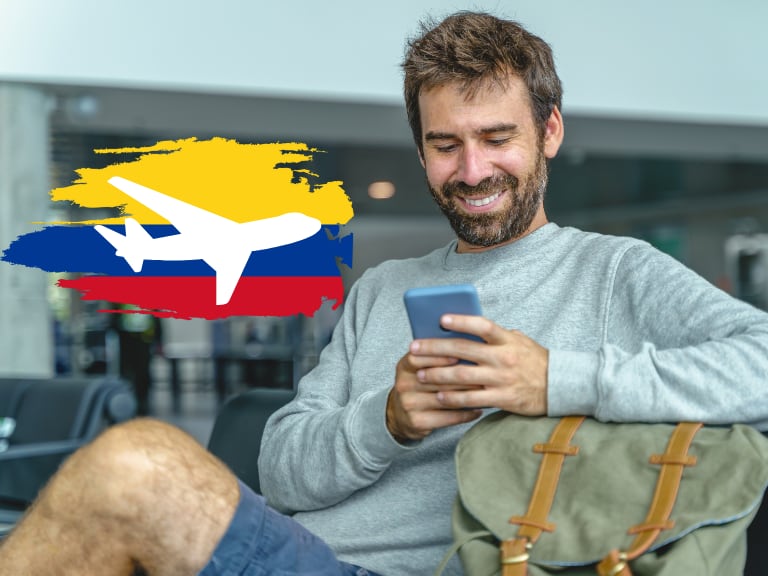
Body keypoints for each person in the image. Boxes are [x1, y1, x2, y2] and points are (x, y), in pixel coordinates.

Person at [2, 10, 768, 576]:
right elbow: (283, 468)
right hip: (309, 554)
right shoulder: (381, 290)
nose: (472, 171)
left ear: (551, 133)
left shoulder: (615, 272)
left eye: (497, 138)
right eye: (445, 145)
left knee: (137, 462)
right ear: (422, 150)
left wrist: (554, 379)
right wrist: (387, 422)